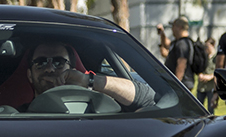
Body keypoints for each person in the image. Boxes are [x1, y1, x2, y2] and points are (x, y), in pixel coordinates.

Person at [24, 41, 154, 110]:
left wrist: (87, 80)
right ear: (29, 75)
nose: (49, 69)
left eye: (58, 62)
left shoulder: (98, 108)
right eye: (40, 63)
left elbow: (148, 99)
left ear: (72, 70)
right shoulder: (15, 116)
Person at [157, 16, 195, 90]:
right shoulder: (178, 42)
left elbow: (181, 64)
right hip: (180, 83)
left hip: (182, 84)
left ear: (179, 27)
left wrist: (177, 84)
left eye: (173, 26)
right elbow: (167, 45)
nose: (172, 29)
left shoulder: (183, 43)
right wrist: (162, 33)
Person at [194, 37, 219, 114]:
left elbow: (218, 70)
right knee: (198, 107)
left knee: (210, 109)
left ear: (213, 45)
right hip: (201, 86)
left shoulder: (216, 57)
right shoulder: (203, 56)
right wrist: (200, 74)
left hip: (210, 87)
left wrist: (210, 77)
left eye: (207, 46)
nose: (206, 49)